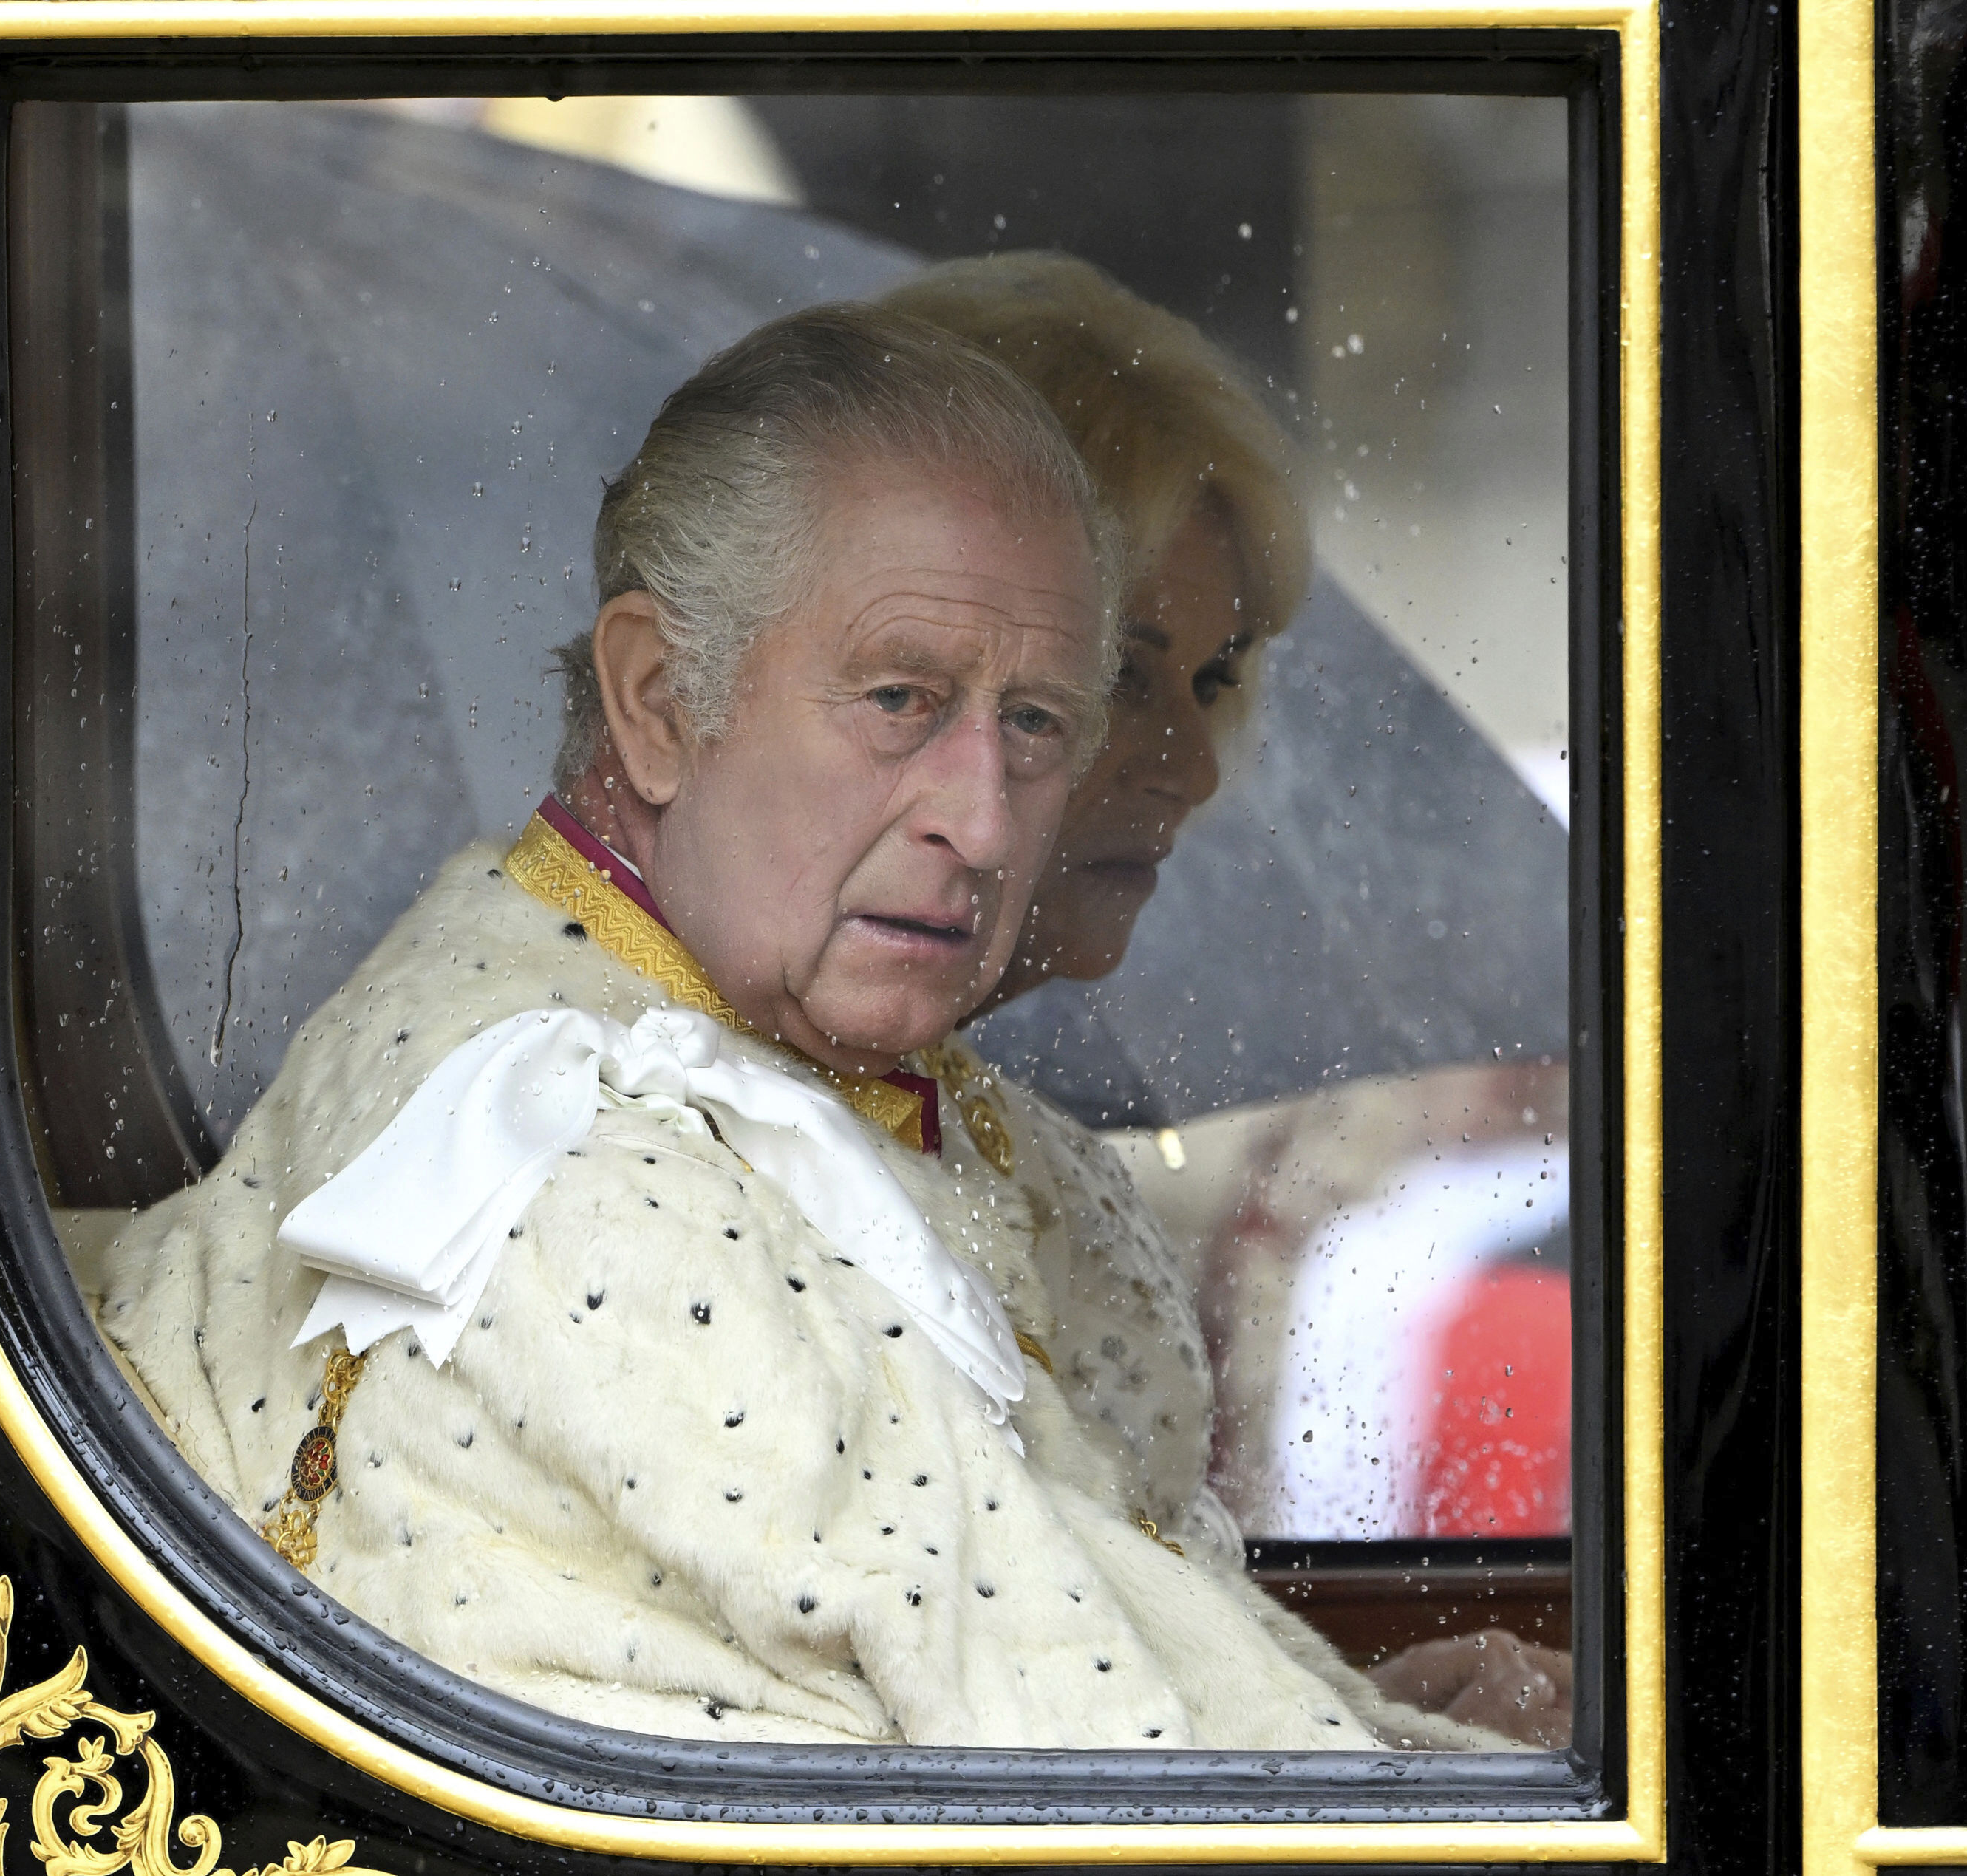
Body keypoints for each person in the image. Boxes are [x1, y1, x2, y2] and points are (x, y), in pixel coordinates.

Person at [92, 302, 1510, 1751]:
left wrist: (1381, 1724)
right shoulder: (581, 1180)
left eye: (1036, 723)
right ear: (655, 700)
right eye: (901, 697)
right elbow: (1101, 1785)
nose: (979, 819)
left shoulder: (953, 1121)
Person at [876, 253, 1571, 1744]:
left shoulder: (959, 1124)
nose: (1190, 767)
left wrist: (1351, 1713)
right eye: (1122, 679)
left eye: (1215, 678)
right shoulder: (697, 1159)